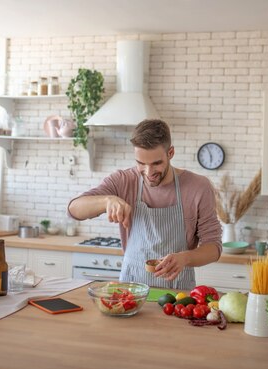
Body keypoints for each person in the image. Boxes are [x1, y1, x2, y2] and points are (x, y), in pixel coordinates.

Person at [67, 119, 222, 290]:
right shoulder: (124, 180)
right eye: (141, 163)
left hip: (178, 293)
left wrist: (184, 258)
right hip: (130, 289)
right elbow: (74, 209)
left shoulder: (198, 187)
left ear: (170, 153)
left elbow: (213, 247)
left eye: (156, 163)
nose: (148, 173)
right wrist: (107, 200)